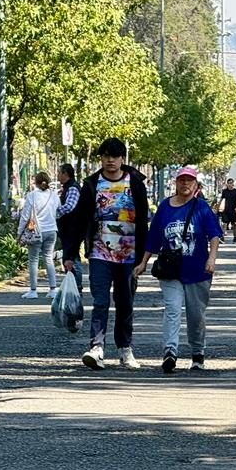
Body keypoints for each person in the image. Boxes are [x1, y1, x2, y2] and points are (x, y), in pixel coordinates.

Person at [65, 138, 150, 371]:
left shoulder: (135, 183)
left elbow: (143, 220)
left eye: (115, 156)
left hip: (129, 256)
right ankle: (97, 348)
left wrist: (144, 257)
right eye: (106, 156)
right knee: (100, 301)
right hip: (99, 253)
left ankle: (125, 348)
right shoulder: (92, 184)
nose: (110, 161)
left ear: (123, 159)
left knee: (125, 303)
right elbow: (79, 220)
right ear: (101, 158)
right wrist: (70, 254)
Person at [135, 166, 223, 373]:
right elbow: (153, 238)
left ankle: (197, 353)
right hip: (170, 270)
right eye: (181, 180)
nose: (185, 184)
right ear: (175, 183)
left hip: (198, 270)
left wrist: (212, 258)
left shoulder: (201, 207)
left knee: (196, 315)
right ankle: (170, 352)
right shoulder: (165, 207)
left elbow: (214, 235)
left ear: (196, 185)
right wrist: (143, 262)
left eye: (189, 181)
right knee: (172, 310)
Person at [18, 171, 61, 299]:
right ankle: (53, 289)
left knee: (33, 260)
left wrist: (19, 232)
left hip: (36, 232)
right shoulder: (54, 196)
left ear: (36, 182)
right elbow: (58, 212)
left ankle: (33, 290)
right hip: (52, 230)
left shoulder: (32, 195)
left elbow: (25, 216)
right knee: (48, 258)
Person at [57, 164, 87, 295]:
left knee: (73, 257)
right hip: (69, 228)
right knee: (70, 257)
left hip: (73, 229)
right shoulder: (67, 187)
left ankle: (77, 287)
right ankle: (75, 286)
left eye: (59, 173)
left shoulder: (73, 188)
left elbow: (70, 206)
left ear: (66, 174)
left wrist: (54, 212)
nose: (58, 175)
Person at [217, 178, 236, 243]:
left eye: (231, 183)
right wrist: (217, 207)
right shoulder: (224, 191)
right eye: (228, 183)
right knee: (224, 224)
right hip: (226, 210)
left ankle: (235, 238)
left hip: (234, 210)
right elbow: (221, 199)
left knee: (234, 225)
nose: (230, 184)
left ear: (233, 184)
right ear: (227, 184)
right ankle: (222, 238)